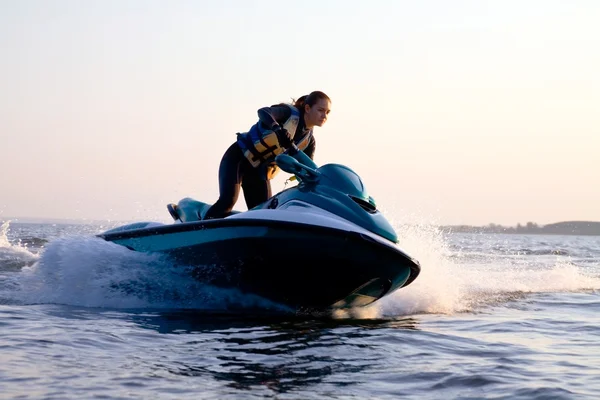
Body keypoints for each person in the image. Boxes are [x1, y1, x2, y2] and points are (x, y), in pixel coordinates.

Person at [202, 90, 332, 220]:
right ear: (308, 108)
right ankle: (200, 230)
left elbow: (307, 170)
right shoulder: (288, 113)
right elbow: (263, 112)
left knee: (264, 214)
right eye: (320, 110)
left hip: (258, 172)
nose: (324, 115)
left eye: (327, 112)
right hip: (238, 158)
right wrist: (277, 129)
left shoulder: (309, 142)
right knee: (227, 201)